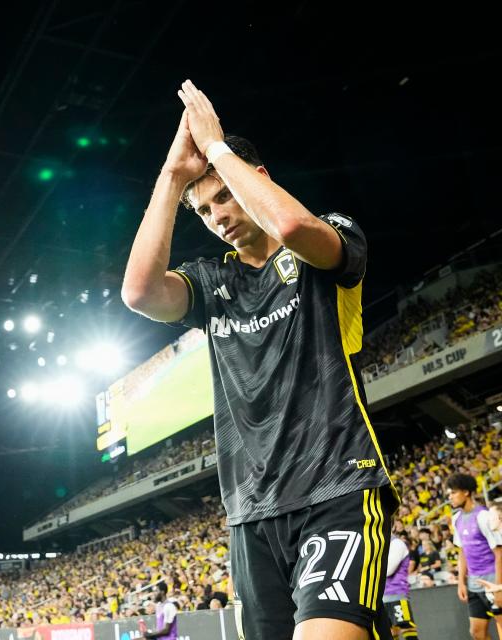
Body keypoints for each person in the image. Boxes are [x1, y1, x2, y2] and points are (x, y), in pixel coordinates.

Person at [121, 79, 397, 640]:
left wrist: (217, 148)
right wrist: (173, 178)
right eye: (202, 209)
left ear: (257, 179)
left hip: (338, 489)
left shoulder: (333, 236)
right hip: (251, 514)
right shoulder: (212, 280)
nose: (216, 214)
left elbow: (292, 227)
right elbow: (140, 293)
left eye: (223, 195)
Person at [447, 473, 502, 640]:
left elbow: (499, 554)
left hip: (492, 580)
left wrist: (499, 588)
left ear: (466, 492)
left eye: (453, 493)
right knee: (477, 633)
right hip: (474, 583)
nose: (450, 497)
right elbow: (462, 552)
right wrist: (461, 582)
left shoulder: (484, 516)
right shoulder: (456, 518)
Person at [382, 530, 419, 638]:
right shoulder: (379, 544)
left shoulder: (396, 543)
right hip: (381, 597)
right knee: (390, 632)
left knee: (406, 627)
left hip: (396, 594)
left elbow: (388, 570)